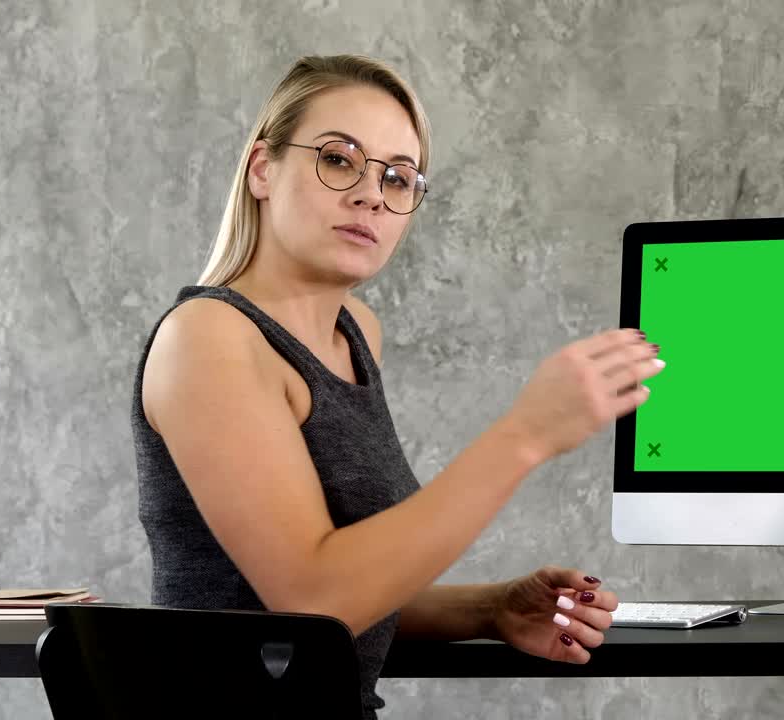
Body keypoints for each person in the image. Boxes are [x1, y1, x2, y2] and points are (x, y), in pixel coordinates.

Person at [130, 54, 665, 718]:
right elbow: (311, 600)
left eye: (398, 177)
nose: (370, 195)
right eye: (338, 159)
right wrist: (526, 435)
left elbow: (344, 591)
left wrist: (491, 608)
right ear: (262, 168)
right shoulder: (209, 338)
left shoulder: (355, 332)